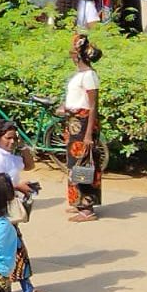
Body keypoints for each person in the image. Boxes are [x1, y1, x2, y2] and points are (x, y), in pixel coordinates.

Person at [63, 36, 102, 223]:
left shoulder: (89, 76)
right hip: (74, 123)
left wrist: (88, 134)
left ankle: (87, 208)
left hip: (83, 124)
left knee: (83, 164)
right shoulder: (80, 75)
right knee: (74, 164)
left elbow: (93, 106)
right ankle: (78, 201)